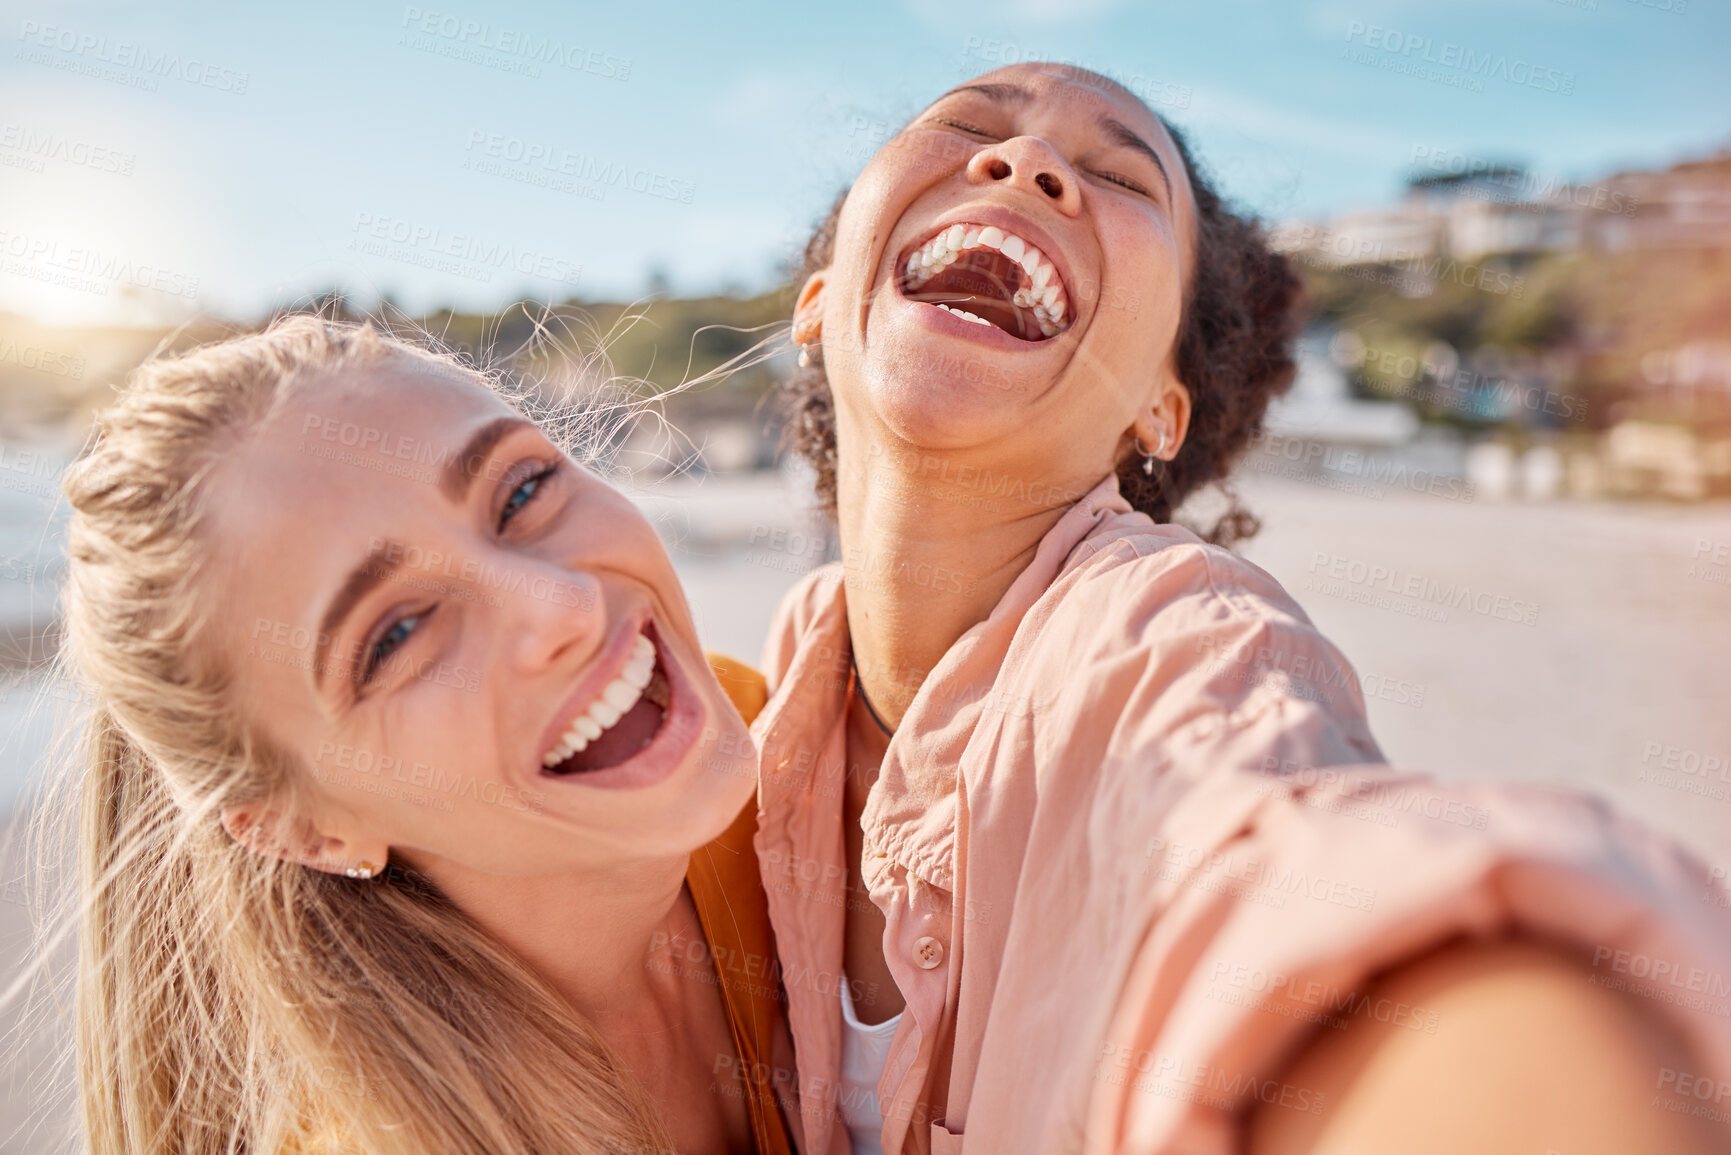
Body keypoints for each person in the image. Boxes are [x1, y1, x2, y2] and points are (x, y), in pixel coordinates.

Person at [753, 62, 1731, 1154]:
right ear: (819, 296)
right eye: (965, 126)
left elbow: (1288, 860)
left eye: (1121, 177)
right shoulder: (768, 689)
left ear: (1160, 410)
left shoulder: (1173, 634)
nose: (1026, 163)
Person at [62, 315, 796, 1154]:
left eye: (520, 492)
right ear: (305, 828)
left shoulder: (777, 733)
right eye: (397, 636)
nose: (564, 606)